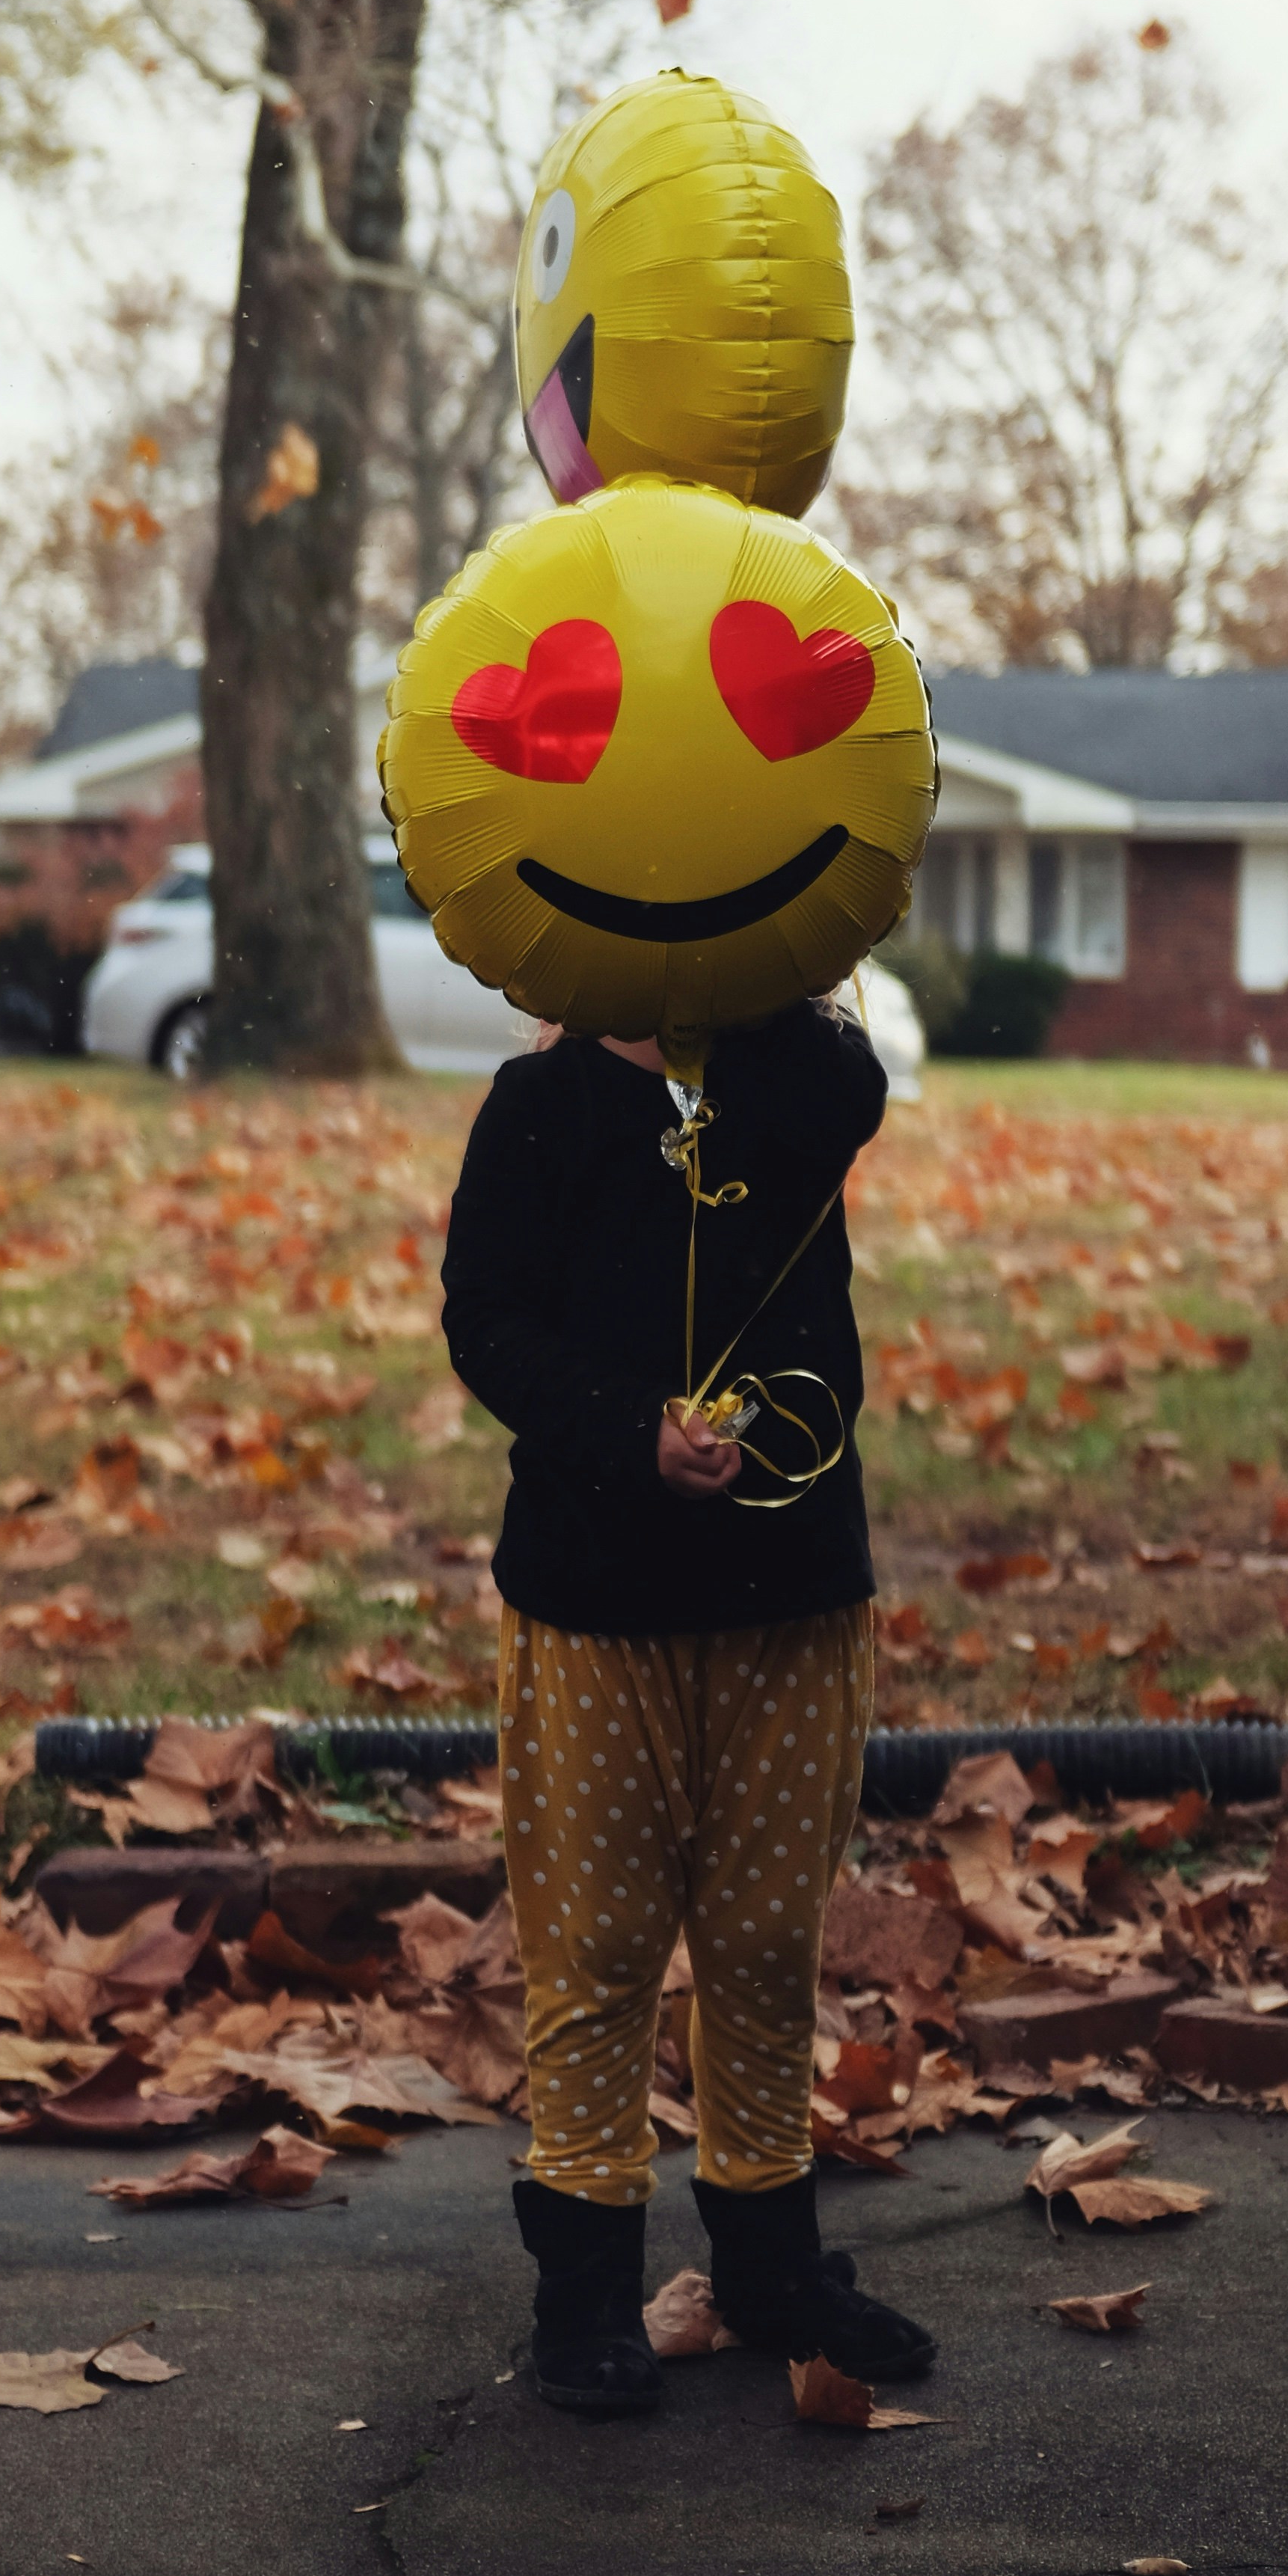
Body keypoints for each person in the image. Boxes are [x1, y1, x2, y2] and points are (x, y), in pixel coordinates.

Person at [441, 991, 936, 2417]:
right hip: (597, 1608)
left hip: (791, 1601)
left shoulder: (798, 1079)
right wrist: (623, 1430)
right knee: (595, 1952)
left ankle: (770, 2264)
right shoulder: (537, 1112)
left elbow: (850, 1085)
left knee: (767, 1945)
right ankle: (586, 2287)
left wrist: (756, 1000)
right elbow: (488, 1322)